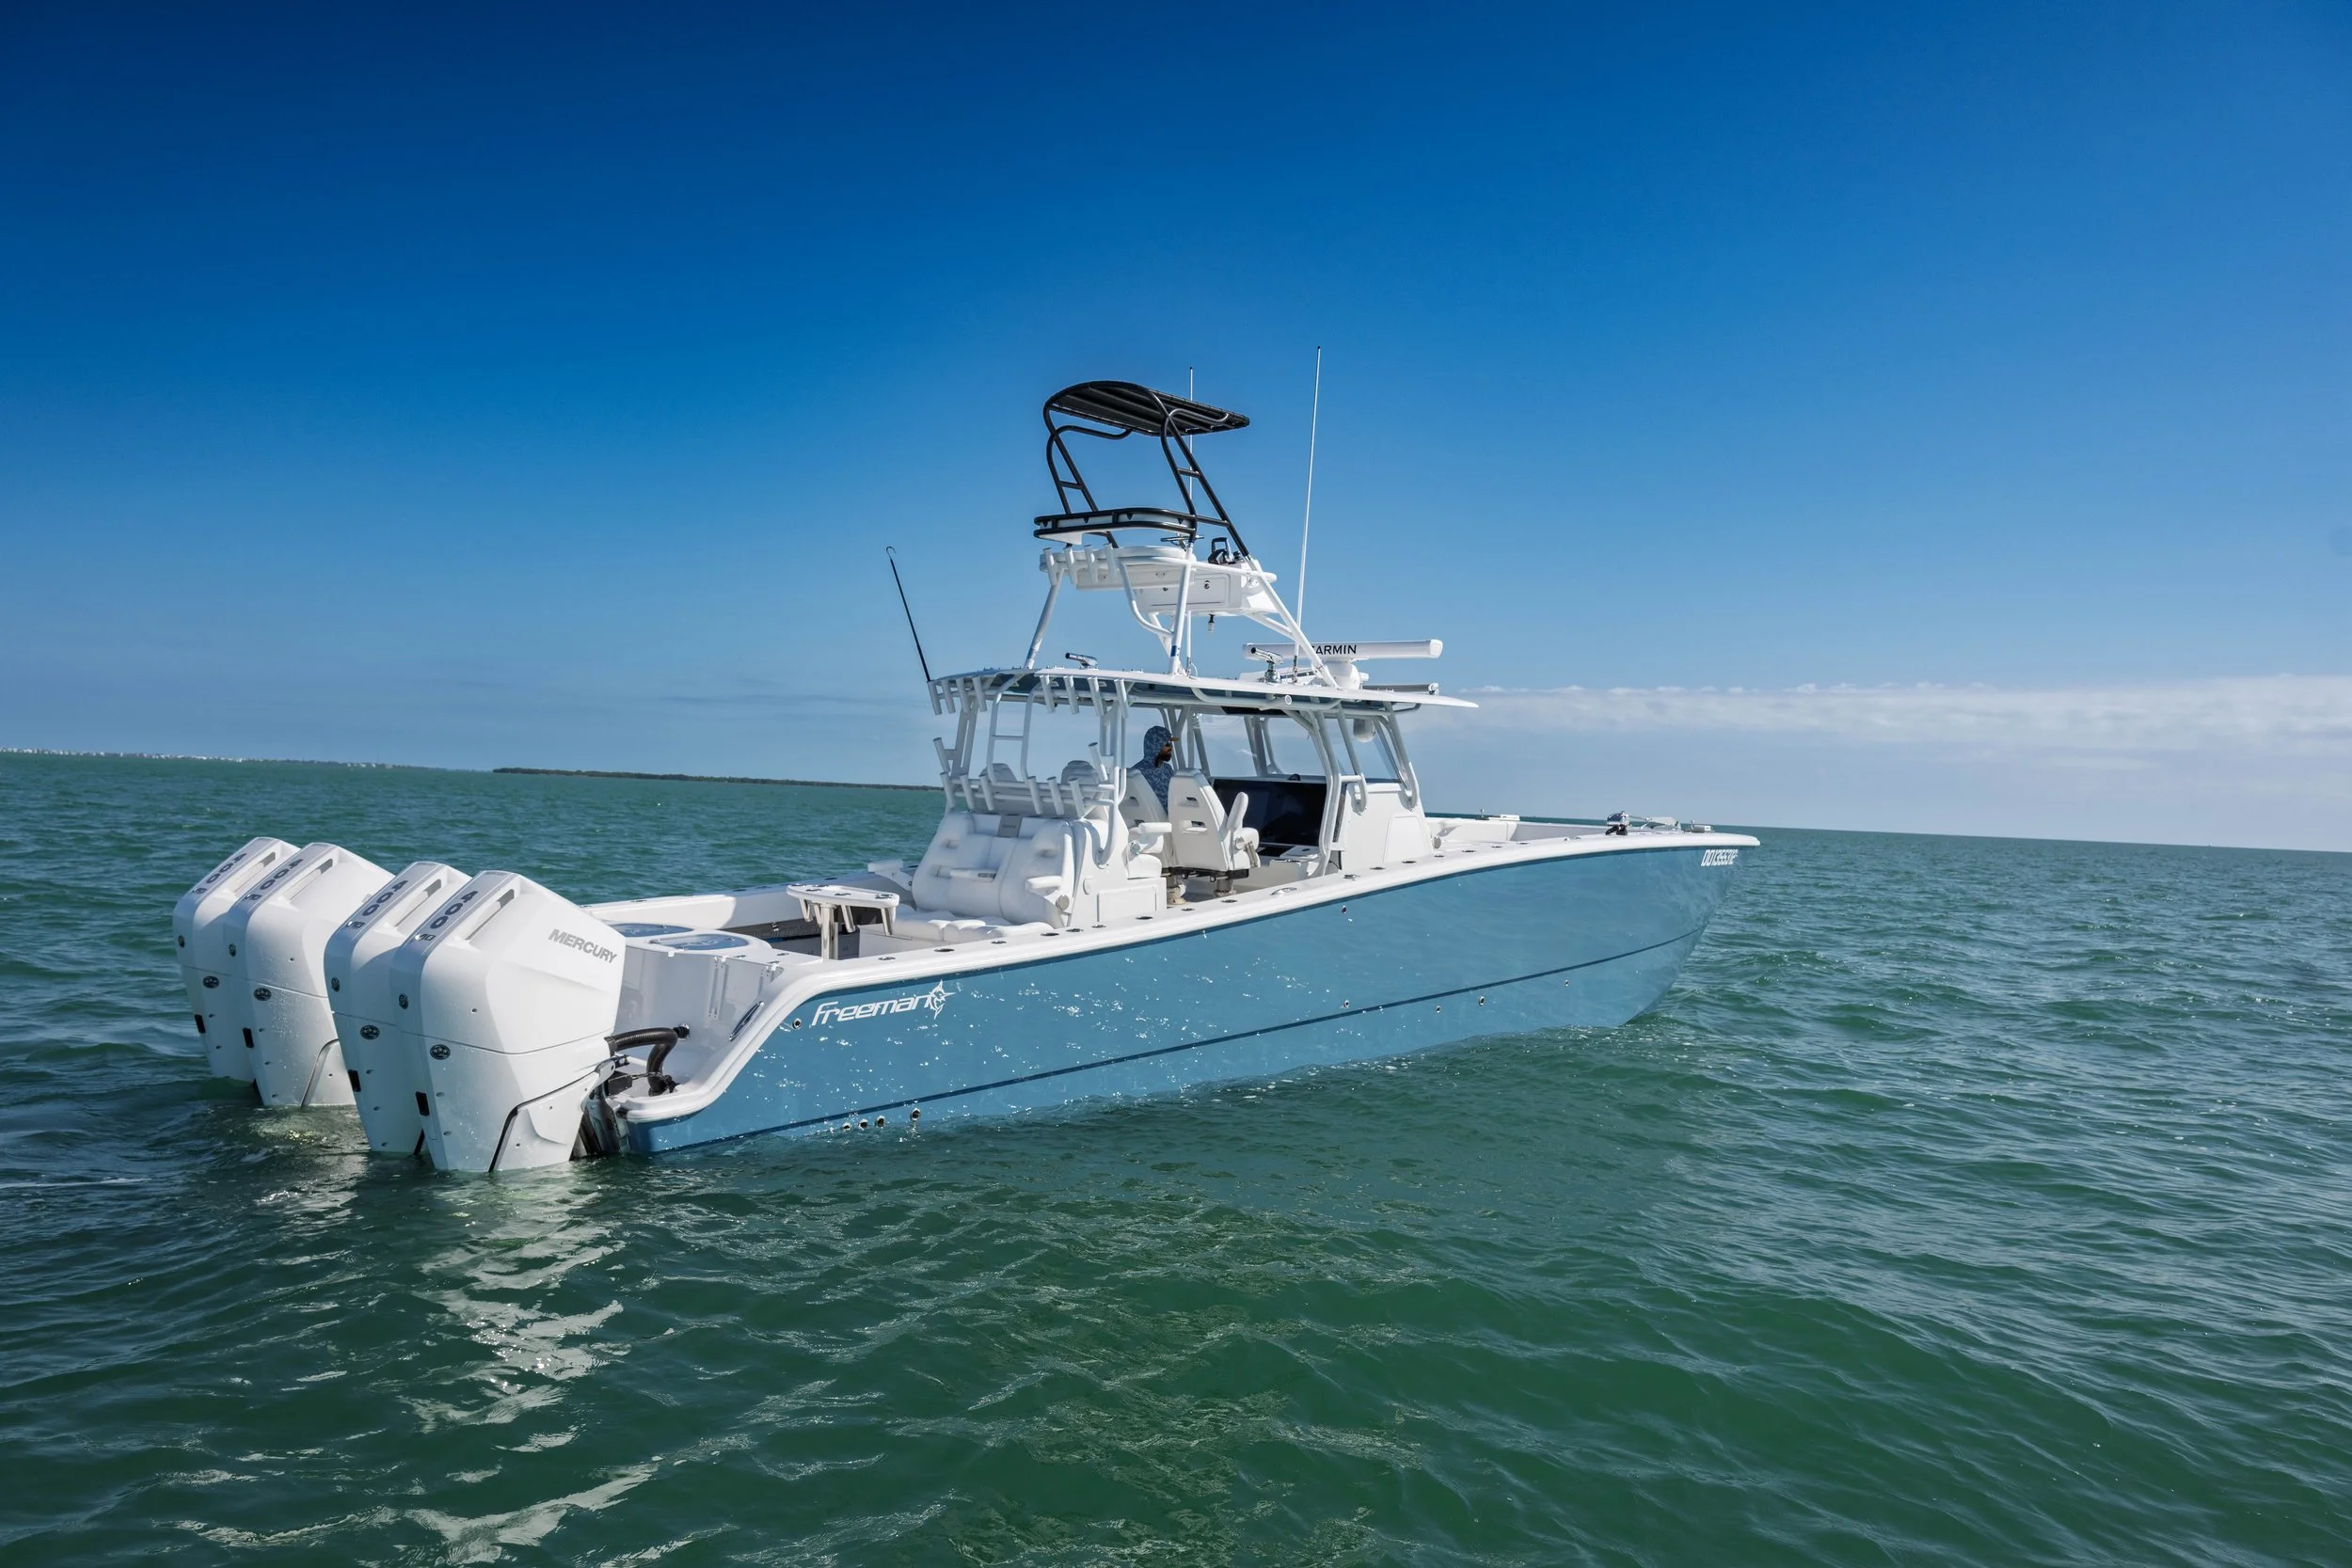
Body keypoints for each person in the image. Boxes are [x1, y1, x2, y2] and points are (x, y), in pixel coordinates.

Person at [1135, 724, 1176, 810]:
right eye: (1167, 744)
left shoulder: (1167, 769)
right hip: (1155, 821)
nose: (1171, 748)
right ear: (1156, 746)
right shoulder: (1137, 774)